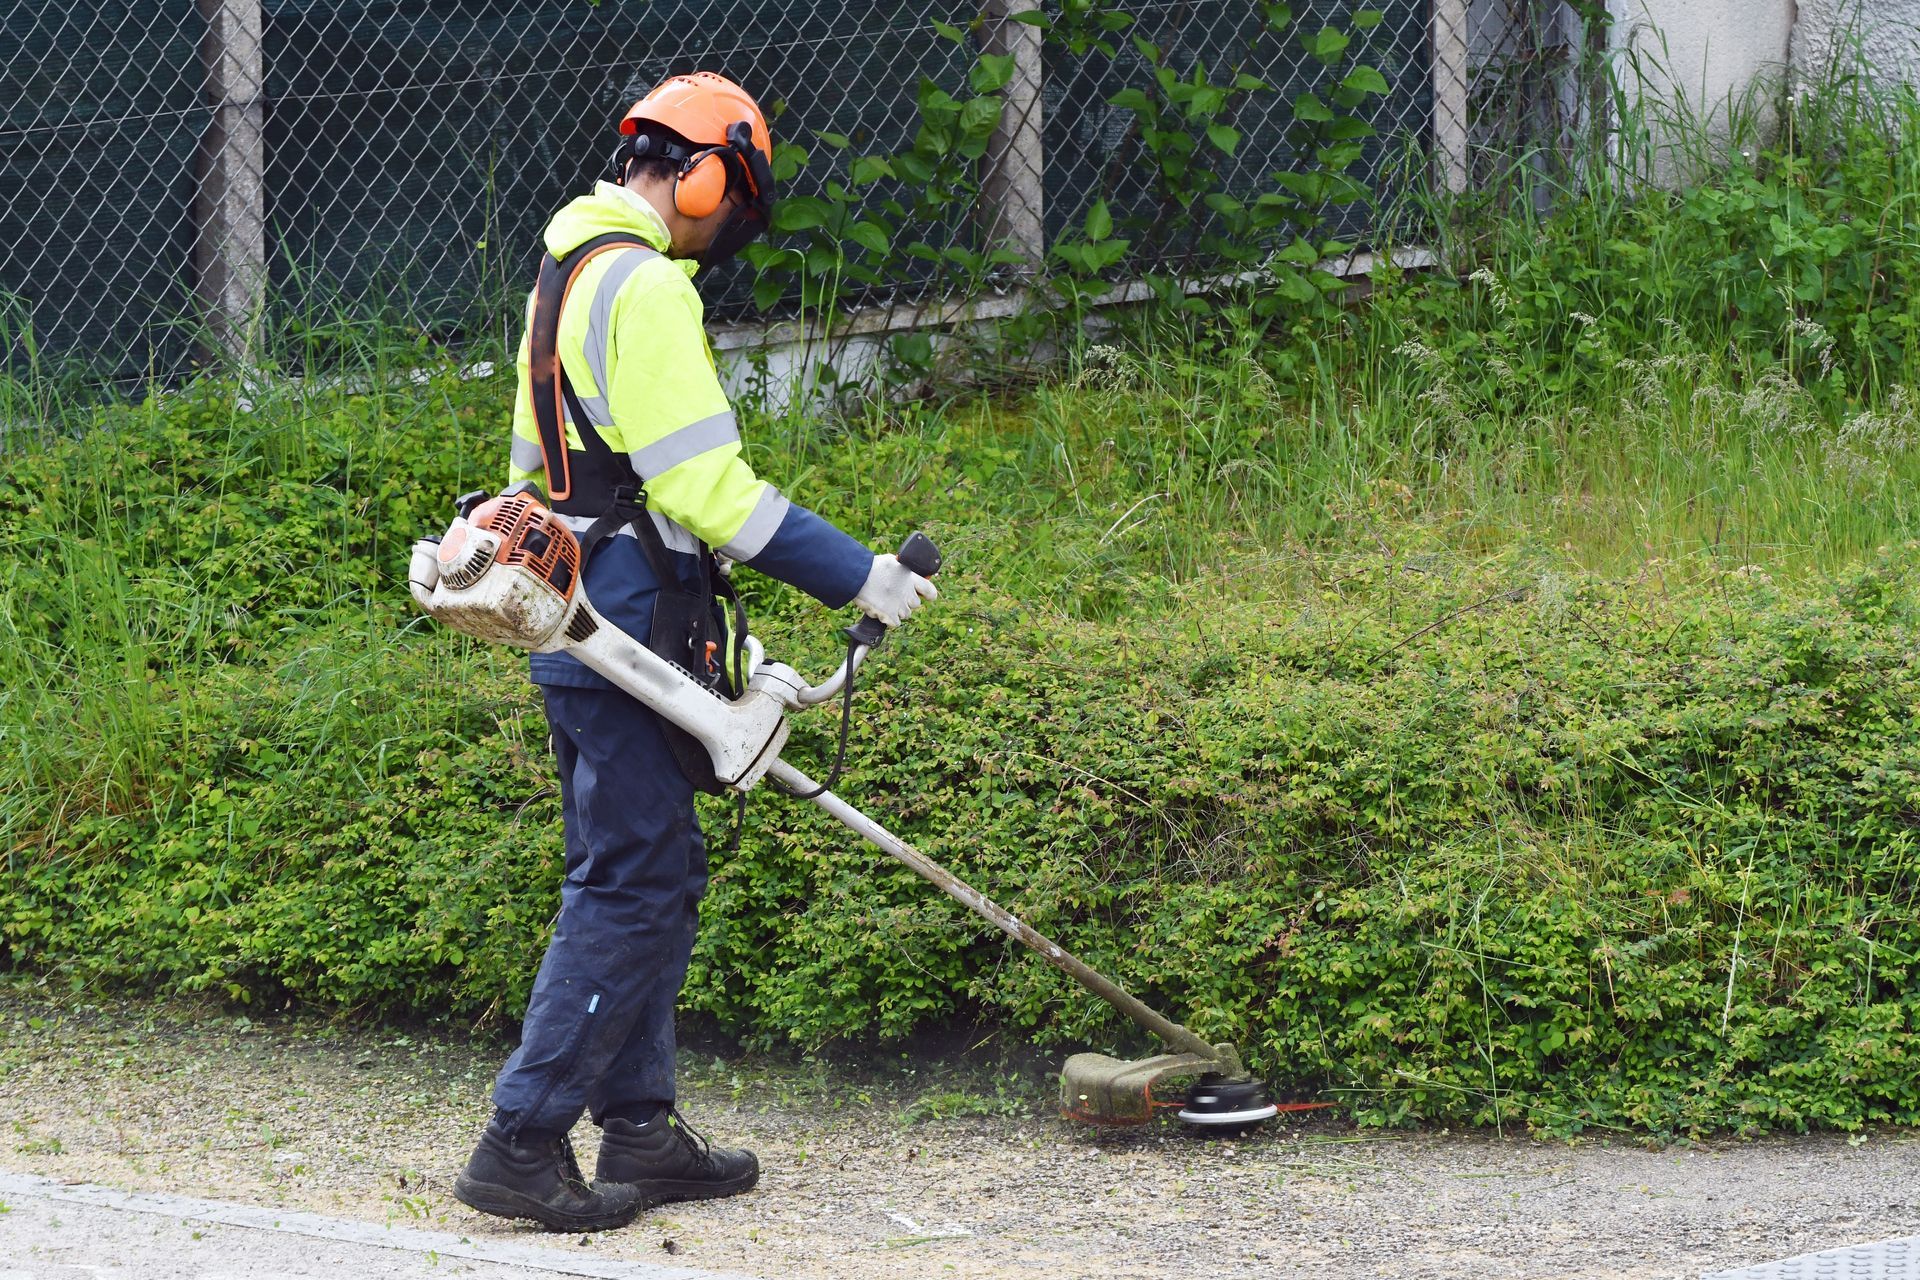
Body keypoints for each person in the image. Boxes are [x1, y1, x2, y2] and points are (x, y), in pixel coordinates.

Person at [452, 72, 936, 1234]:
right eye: (736, 206)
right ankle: (521, 1139)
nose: (725, 236)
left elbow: (533, 478)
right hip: (627, 627)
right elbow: (705, 487)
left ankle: (639, 1128)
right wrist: (860, 573)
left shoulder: (564, 274)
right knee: (634, 881)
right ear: (708, 175)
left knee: (644, 869)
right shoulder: (646, 284)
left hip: (575, 617)